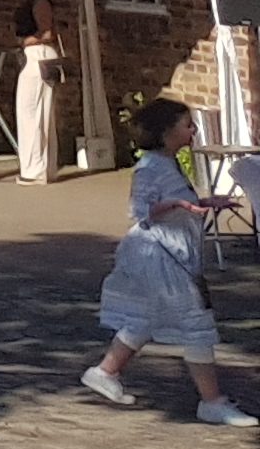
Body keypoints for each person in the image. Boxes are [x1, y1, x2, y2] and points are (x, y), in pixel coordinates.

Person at [83, 98, 249, 424]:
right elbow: (140, 210)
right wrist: (179, 205)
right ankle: (211, 401)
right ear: (166, 132)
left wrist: (203, 202)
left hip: (172, 252)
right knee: (196, 321)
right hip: (159, 255)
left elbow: (175, 203)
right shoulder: (148, 167)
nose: (193, 130)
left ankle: (104, 372)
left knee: (145, 317)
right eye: (187, 125)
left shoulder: (168, 163)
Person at [15, 0, 69, 185]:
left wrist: (27, 41)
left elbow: (47, 33)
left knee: (30, 114)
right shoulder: (34, 0)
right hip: (38, 57)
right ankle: (44, 168)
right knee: (40, 114)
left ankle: (34, 170)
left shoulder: (39, 1)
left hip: (38, 56)